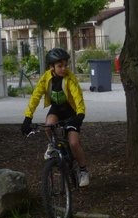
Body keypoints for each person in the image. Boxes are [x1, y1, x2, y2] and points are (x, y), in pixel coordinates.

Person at [20, 47, 90, 187]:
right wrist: (28, 118)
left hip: (72, 112)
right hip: (56, 109)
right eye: (60, 66)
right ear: (51, 67)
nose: (64, 68)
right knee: (48, 125)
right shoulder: (46, 78)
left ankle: (83, 170)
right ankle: (53, 145)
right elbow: (35, 97)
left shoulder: (70, 78)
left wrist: (80, 114)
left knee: (74, 143)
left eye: (65, 65)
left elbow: (77, 96)